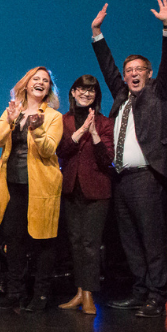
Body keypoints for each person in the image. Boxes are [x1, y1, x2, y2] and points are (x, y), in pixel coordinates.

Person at [91, 0, 167, 318]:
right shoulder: (121, 97)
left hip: (147, 176)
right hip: (122, 178)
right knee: (128, 238)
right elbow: (108, 67)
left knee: (152, 238)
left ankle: (157, 295)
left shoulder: (160, 92)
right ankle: (140, 289)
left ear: (149, 73)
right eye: (129, 71)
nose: (132, 74)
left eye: (139, 70)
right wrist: (97, 33)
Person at [0, 67, 63, 312]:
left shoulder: (53, 116)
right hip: (13, 186)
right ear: (26, 84)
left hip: (41, 186)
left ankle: (40, 295)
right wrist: (11, 122)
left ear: (49, 89)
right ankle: (14, 294)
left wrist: (37, 129)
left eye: (45, 81)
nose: (40, 83)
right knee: (14, 241)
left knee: (43, 242)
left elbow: (48, 150)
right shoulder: (13, 110)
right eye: (36, 79)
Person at [56, 75, 114, 316]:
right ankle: (79, 291)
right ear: (73, 92)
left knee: (90, 244)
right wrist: (81, 131)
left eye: (91, 91)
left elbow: (107, 159)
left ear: (96, 95)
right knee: (76, 242)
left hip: (96, 191)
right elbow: (61, 151)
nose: (86, 94)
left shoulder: (104, 122)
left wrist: (95, 134)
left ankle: (89, 294)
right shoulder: (64, 120)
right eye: (81, 89)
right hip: (71, 189)